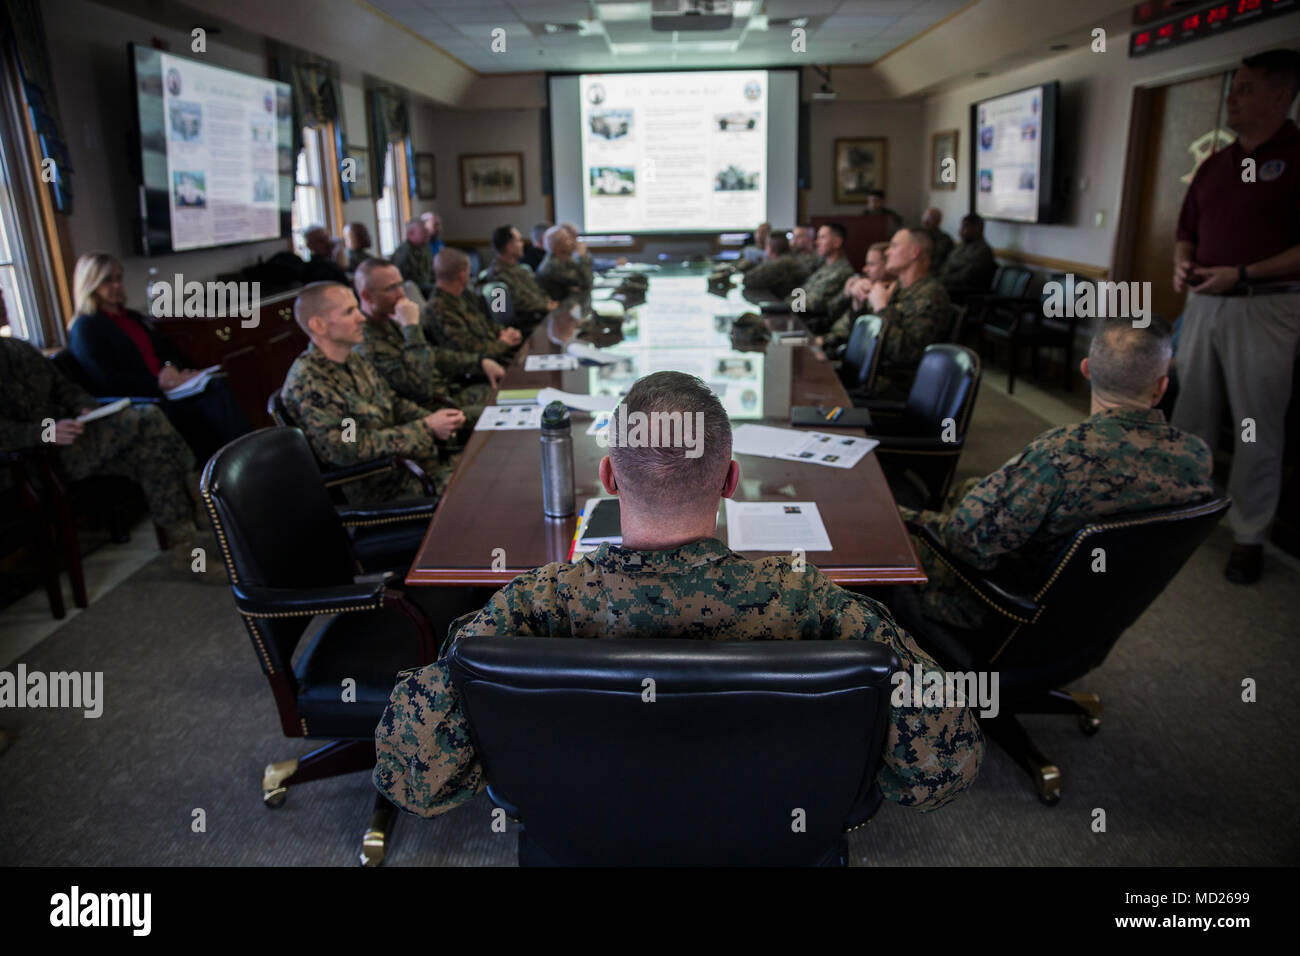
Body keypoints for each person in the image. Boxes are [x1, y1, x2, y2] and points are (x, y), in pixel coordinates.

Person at [374, 370, 984, 817]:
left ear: (608, 476)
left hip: (588, 836)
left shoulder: (536, 605)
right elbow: (943, 767)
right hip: (771, 838)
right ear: (731, 480)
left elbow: (415, 779)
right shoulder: (814, 605)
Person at [897, 318, 1214, 633]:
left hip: (1005, 610)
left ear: (1086, 370)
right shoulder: (1196, 457)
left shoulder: (1058, 455)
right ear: (1162, 386)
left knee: (877, 528)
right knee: (969, 490)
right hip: (1089, 619)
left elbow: (963, 541)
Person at [1172, 48, 1300, 585]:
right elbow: (1187, 231)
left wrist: (1243, 273)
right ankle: (1182, 513)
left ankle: (1249, 534)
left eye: (1246, 88)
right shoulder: (1216, 164)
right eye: (1234, 87)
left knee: (1254, 427)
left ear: (1281, 94)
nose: (1233, 97)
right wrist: (1181, 263)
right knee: (1190, 419)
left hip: (1265, 307)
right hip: (1204, 304)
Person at [0, 287, 220, 581]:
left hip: (79, 439)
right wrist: (44, 432)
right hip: (37, 462)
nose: (4, 302)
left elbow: (67, 389)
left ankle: (189, 554)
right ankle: (199, 494)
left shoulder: (18, 348)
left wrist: (85, 408)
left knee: (155, 454)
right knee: (151, 417)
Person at [281, 281, 465, 502]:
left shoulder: (354, 360)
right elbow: (348, 446)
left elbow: (393, 402)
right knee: (479, 484)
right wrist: (425, 428)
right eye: (349, 312)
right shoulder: (311, 381)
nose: (361, 317)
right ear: (318, 325)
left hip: (412, 464)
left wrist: (436, 420)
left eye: (357, 308)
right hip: (383, 486)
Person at [66, 252, 252, 464]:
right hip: (146, 395)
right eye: (108, 281)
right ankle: (229, 465)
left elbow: (166, 351)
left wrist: (172, 368)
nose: (117, 285)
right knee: (209, 400)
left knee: (217, 384)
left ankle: (244, 458)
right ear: (91, 284)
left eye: (119, 278)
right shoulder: (85, 328)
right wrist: (158, 383)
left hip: (171, 386)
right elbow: (106, 380)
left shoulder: (133, 317)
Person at [353, 258, 502, 421]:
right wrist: (411, 327)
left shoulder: (389, 322)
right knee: (504, 411)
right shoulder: (364, 341)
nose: (401, 294)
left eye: (400, 285)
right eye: (391, 288)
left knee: (507, 392)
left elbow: (431, 354)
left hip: (447, 394)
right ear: (367, 296)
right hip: (429, 414)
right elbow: (417, 386)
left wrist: (479, 362)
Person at [867, 229, 955, 368]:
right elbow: (867, 337)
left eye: (894, 246)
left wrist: (881, 308)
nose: (887, 252)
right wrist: (857, 304)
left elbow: (907, 354)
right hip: (874, 368)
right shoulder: (897, 288)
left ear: (914, 252)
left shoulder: (931, 294)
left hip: (895, 381)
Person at [421, 247, 522, 360]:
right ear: (462, 274)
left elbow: (483, 323)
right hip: (481, 367)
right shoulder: (439, 309)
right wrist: (504, 343)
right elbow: (468, 350)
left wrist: (504, 332)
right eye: (469, 270)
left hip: (495, 351)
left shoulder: (462, 296)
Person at [821, 241, 894, 353]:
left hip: (838, 347)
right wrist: (847, 294)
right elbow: (831, 313)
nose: (865, 269)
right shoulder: (864, 285)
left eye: (872, 264)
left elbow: (858, 335)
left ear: (888, 265)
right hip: (829, 339)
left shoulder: (888, 294)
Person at [481, 224, 558, 327]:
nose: (522, 244)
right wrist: (546, 306)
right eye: (519, 240)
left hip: (541, 315)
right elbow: (516, 304)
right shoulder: (497, 275)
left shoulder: (521, 269)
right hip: (527, 324)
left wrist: (548, 302)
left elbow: (537, 291)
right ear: (509, 247)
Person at [788, 222, 854, 329]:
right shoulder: (823, 266)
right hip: (798, 318)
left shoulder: (842, 272)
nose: (817, 242)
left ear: (837, 242)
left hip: (812, 327)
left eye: (822, 238)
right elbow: (801, 291)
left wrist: (787, 302)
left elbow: (815, 303)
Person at [939, 213, 997, 293]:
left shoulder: (982, 251)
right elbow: (947, 264)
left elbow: (964, 277)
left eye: (965, 227)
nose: (960, 231)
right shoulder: (962, 246)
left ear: (977, 229)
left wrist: (939, 279)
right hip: (948, 284)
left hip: (964, 292)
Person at [536, 223, 594, 302]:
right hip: (558, 310)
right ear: (555, 246)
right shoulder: (552, 265)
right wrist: (582, 257)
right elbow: (586, 282)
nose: (572, 242)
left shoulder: (565, 260)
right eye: (566, 239)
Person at [740, 233, 806, 299]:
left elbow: (748, 280)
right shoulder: (789, 259)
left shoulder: (781, 263)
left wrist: (765, 264)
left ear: (770, 248)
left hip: (782, 306)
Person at [392, 219, 436, 297]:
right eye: (423, 231)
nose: (428, 234)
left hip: (427, 288)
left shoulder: (425, 248)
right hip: (413, 292)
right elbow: (404, 282)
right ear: (411, 234)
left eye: (427, 231)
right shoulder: (403, 253)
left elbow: (432, 271)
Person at [920, 207, 954, 272]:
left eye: (930, 219)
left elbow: (940, 260)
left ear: (938, 221)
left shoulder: (945, 239)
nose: (925, 222)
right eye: (924, 218)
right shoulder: (919, 235)